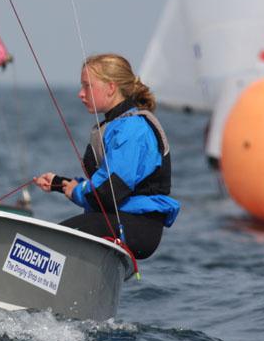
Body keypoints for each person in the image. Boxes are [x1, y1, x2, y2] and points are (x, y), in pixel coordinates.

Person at [34, 54, 180, 259]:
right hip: (121, 219)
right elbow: (103, 186)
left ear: (111, 88)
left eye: (87, 86)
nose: (80, 94)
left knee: (49, 242)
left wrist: (78, 191)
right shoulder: (117, 125)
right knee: (56, 237)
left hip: (139, 227)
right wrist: (61, 184)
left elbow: (111, 190)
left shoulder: (132, 129)